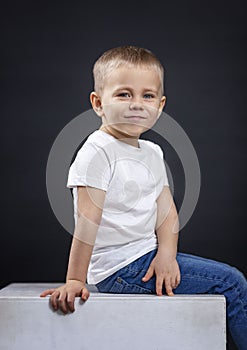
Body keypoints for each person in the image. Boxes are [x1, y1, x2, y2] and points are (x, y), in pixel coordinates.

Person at [40, 46, 247, 349]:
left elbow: (166, 211)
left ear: (160, 105)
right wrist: (75, 280)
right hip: (121, 269)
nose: (137, 104)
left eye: (147, 96)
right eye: (124, 94)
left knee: (226, 283)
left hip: (146, 257)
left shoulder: (152, 152)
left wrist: (167, 254)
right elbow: (87, 220)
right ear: (98, 103)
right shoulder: (97, 151)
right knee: (232, 283)